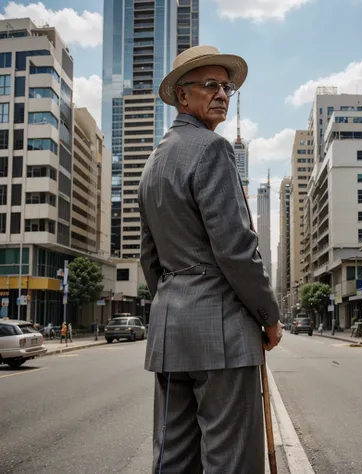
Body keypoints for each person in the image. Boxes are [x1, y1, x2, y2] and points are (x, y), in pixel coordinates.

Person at [138, 45, 283, 474]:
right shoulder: (213, 149)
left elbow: (150, 259)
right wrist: (268, 315)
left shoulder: (153, 164)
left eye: (227, 86)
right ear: (183, 97)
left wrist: (173, 303)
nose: (222, 93)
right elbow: (236, 249)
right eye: (210, 85)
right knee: (231, 460)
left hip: (170, 332)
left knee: (173, 459)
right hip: (221, 333)